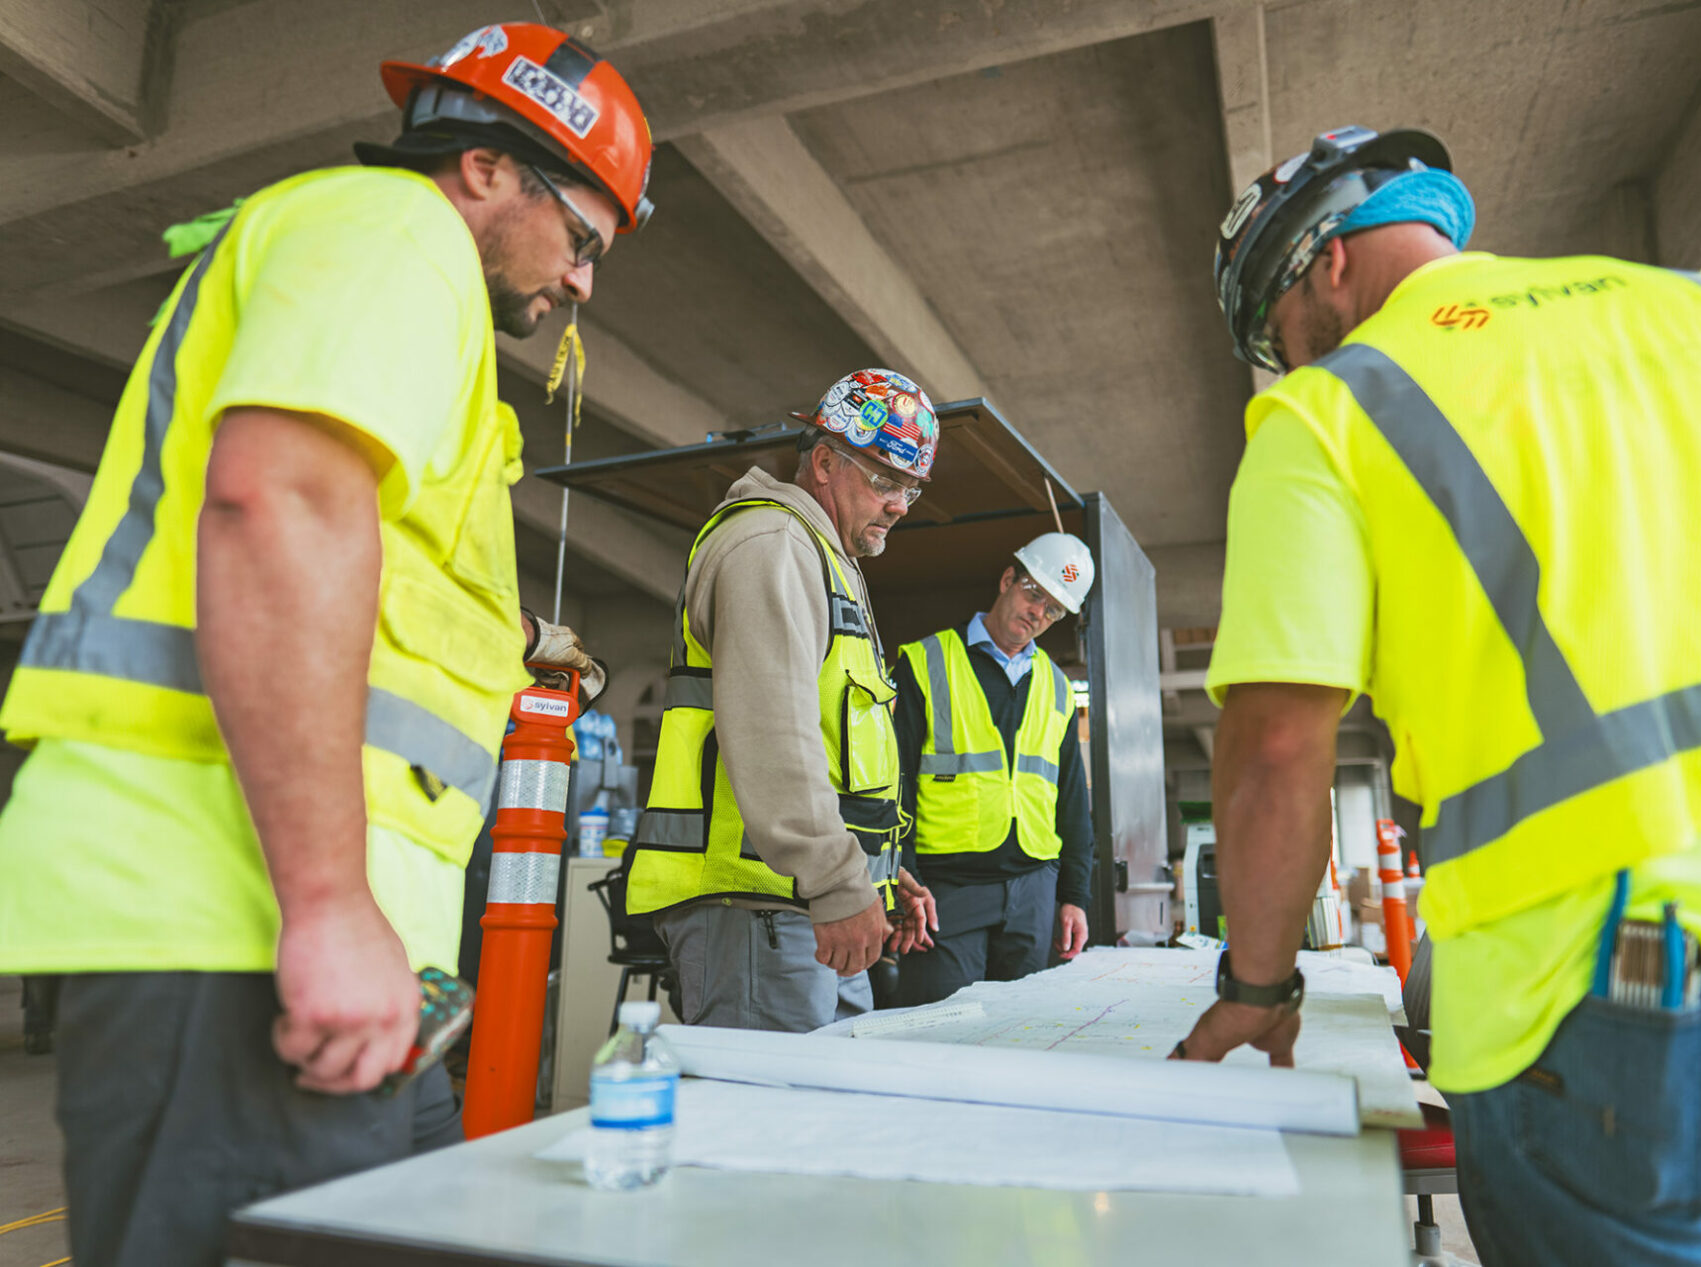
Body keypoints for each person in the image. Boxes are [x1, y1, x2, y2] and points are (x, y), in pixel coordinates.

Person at [1176, 124, 1701, 1265]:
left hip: (1606, 1004)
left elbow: (1274, 743)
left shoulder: (1329, 415)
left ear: (1325, 263)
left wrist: (1258, 983)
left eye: (1278, 329)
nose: (1286, 356)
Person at [0, 23, 646, 1266]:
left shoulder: (405, 289)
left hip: (306, 950)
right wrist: (327, 907)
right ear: (487, 169)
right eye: (582, 238)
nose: (579, 284)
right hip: (233, 929)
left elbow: (361, 575)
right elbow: (280, 502)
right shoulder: (395, 231)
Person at [624, 369, 940, 1032]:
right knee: (762, 1127)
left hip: (804, 907)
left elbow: (836, 749)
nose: (900, 504)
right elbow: (776, 735)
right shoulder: (773, 546)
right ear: (824, 461)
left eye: (912, 487)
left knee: (817, 1125)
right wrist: (837, 880)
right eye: (885, 478)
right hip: (759, 911)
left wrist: (876, 876)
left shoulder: (824, 559)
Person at [891, 534, 1096, 1004]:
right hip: (944, 892)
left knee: (1023, 1038)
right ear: (1008, 580)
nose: (1037, 612)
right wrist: (899, 881)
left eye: (1053, 610)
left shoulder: (1059, 689)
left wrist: (1075, 896)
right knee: (939, 1036)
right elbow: (892, 784)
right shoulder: (924, 662)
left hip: (1034, 892)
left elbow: (1072, 803)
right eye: (1033, 593)